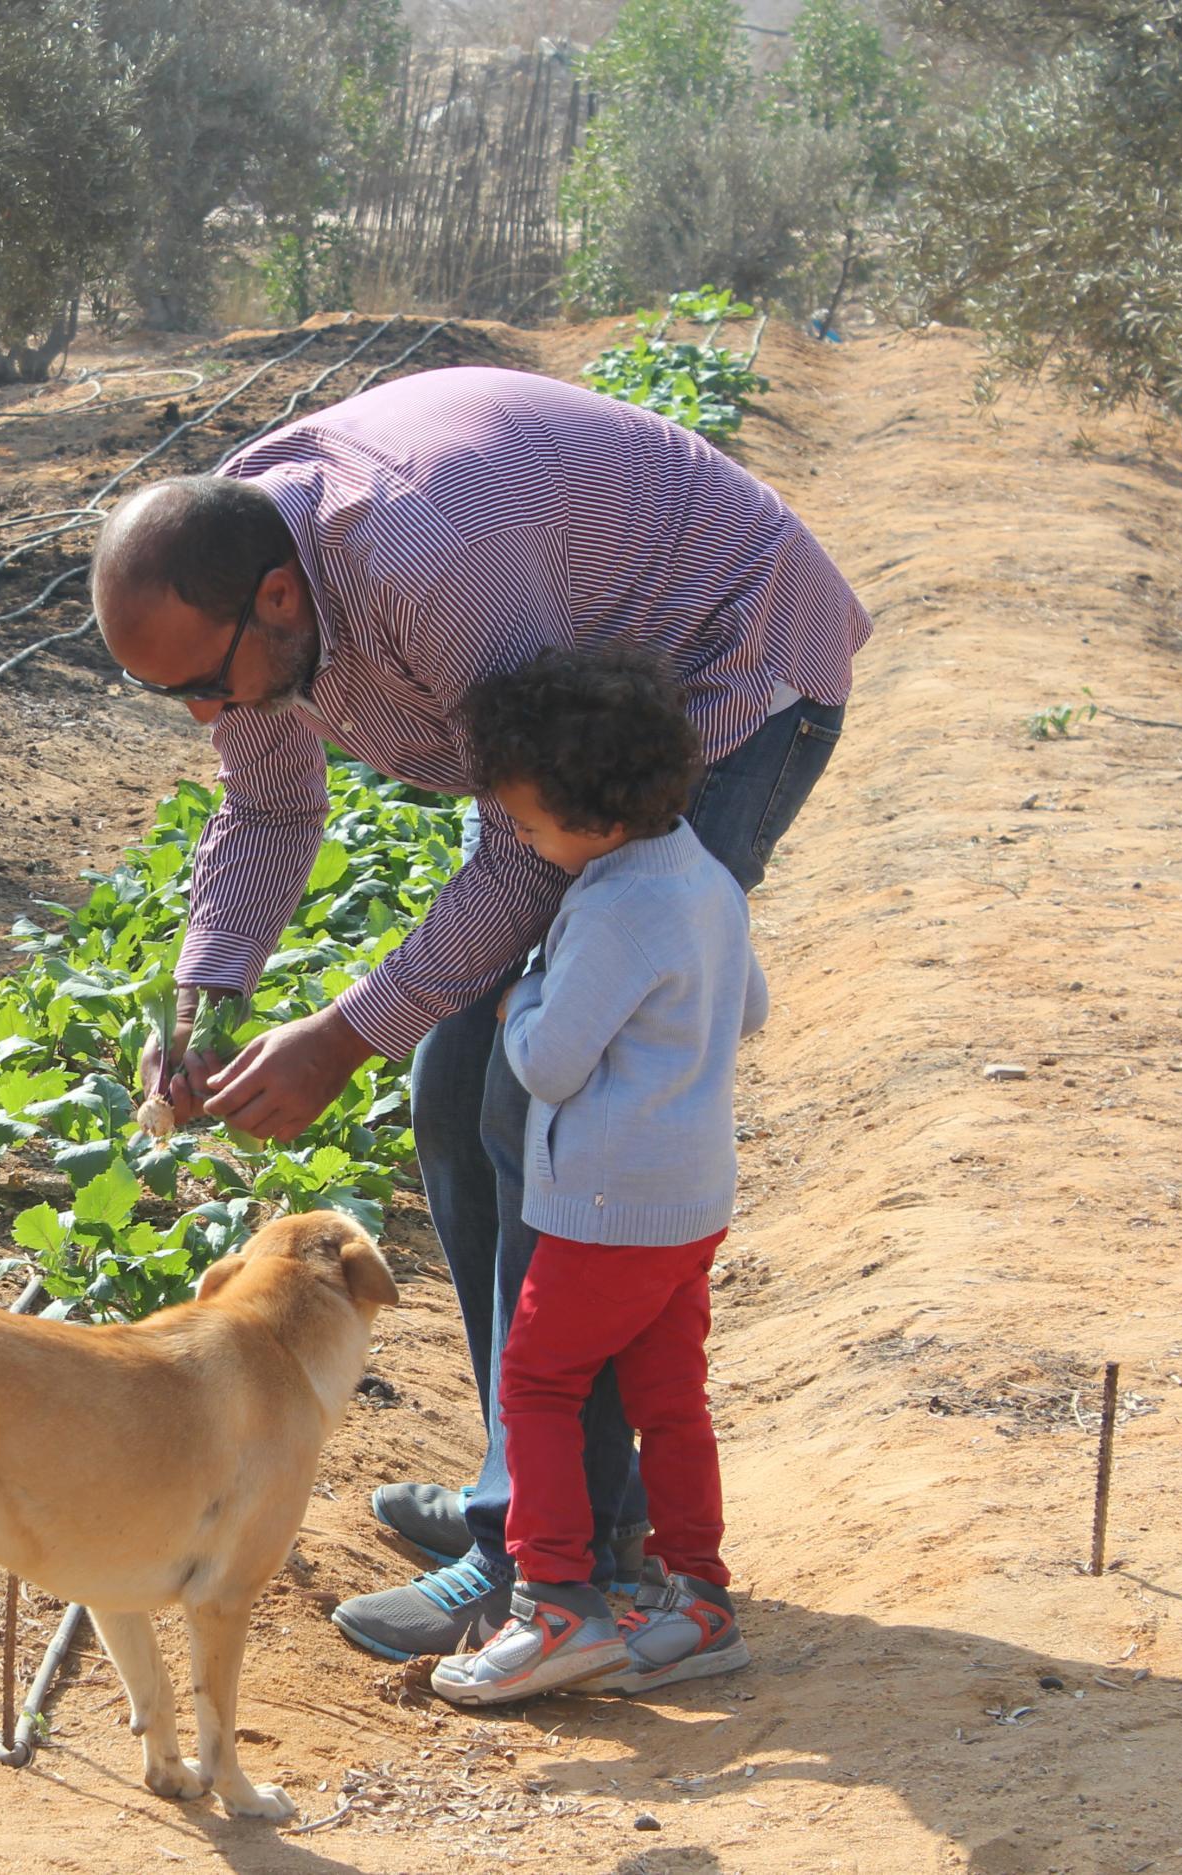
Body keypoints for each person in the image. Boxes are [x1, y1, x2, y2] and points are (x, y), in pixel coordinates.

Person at [91, 364, 869, 1661]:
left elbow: (526, 853)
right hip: (570, 694)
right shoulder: (243, 588)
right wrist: (205, 1000)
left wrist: (340, 1034)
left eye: (209, 686)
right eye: (176, 695)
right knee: (450, 1094)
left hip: (720, 673)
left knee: (550, 1106)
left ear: (277, 601)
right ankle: (537, 1472)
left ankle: (554, 1561)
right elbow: (273, 804)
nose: (205, 715)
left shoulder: (429, 558)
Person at [426, 648, 759, 1703]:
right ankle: (699, 1601)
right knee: (669, 1400)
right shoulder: (702, 872)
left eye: (528, 825)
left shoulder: (613, 910)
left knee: (538, 1383)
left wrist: (520, 1003)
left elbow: (550, 1063)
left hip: (605, 1206)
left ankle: (557, 1605)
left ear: (596, 819)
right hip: (691, 1197)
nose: (523, 842)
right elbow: (746, 1006)